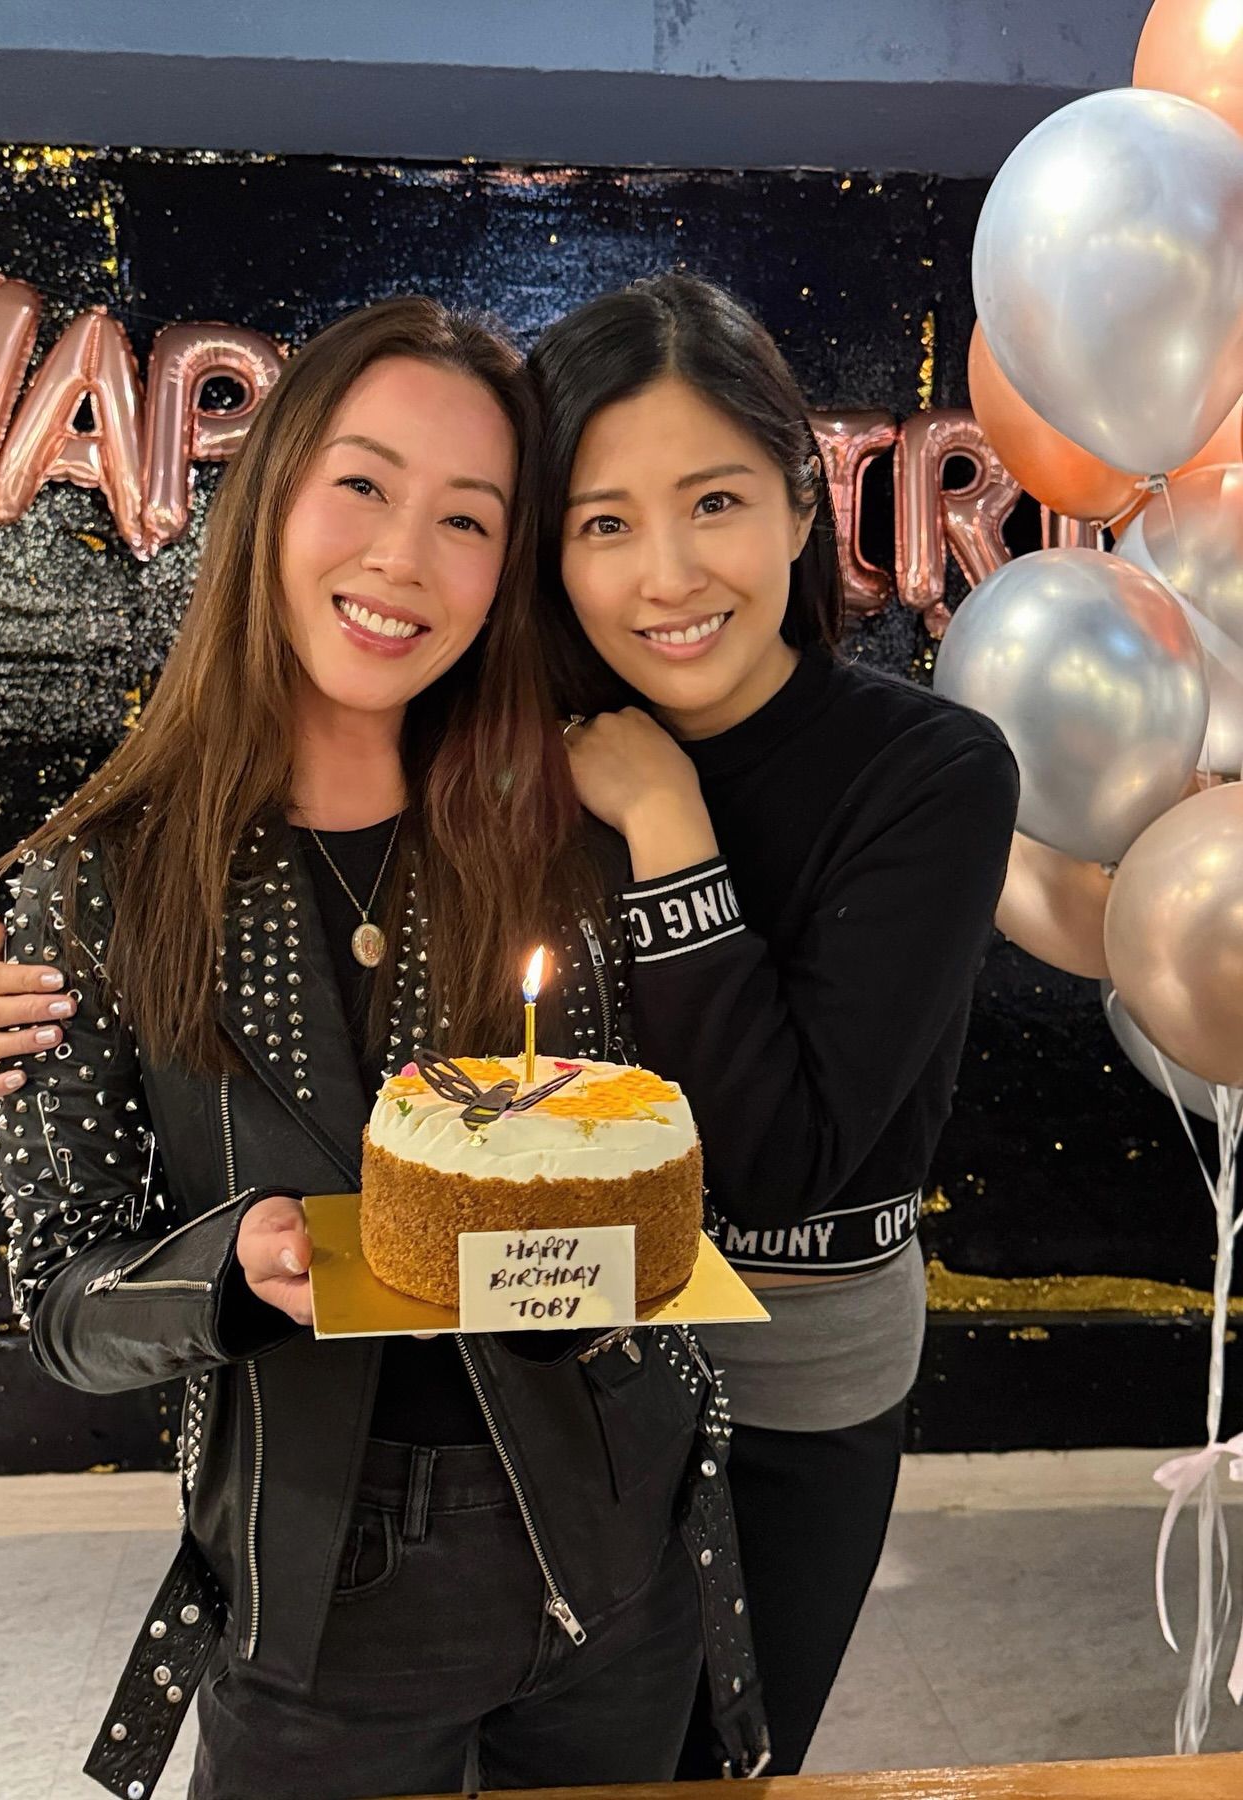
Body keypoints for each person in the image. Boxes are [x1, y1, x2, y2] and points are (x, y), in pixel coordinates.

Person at [0, 294, 762, 1800]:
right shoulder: (99, 882)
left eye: (466, 520)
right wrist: (230, 1267)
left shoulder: (562, 835)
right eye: (365, 486)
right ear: (272, 494)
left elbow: (660, 1151)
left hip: (616, 1544)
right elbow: (63, 1304)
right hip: (315, 1582)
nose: (403, 558)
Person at [529, 273, 1020, 1775]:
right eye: (604, 523)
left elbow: (786, 1157)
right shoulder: (513, 753)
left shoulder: (932, 773)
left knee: (714, 1766)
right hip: (538, 1368)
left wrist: (669, 829)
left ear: (804, 504)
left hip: (793, 1382)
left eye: (716, 503)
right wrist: (31, 998)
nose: (668, 573)